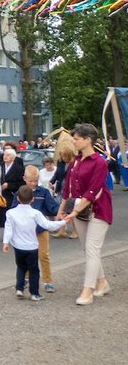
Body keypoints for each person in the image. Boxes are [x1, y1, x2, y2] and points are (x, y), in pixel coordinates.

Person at [59, 123, 113, 306]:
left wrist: (73, 212)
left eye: (76, 139)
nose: (73, 142)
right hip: (79, 208)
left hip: (99, 209)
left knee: (92, 248)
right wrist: (62, 209)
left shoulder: (99, 162)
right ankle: (102, 282)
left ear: (87, 140)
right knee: (89, 249)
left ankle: (87, 290)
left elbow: (92, 191)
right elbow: (68, 187)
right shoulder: (75, 161)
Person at [3, 185, 65, 301]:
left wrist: (6, 242)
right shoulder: (35, 213)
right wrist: (63, 222)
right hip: (31, 246)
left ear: (18, 198)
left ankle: (19, 288)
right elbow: (48, 225)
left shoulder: (10, 213)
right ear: (32, 199)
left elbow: (8, 228)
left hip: (18, 246)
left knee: (21, 267)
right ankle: (34, 293)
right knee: (34, 270)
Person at [11, 165, 60, 293]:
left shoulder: (43, 192)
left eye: (36, 180)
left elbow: (52, 207)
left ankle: (48, 281)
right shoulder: (19, 193)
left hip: (41, 229)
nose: (33, 183)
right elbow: (13, 210)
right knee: (27, 257)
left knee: (44, 255)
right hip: (26, 232)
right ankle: (27, 278)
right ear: (24, 178)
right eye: (30, 180)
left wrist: (60, 212)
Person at [0, 145, 25, 232]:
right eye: (4, 155)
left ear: (13, 157)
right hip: (0, 193)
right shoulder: (0, 166)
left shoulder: (18, 168)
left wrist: (9, 185)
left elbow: (21, 183)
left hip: (12, 194)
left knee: (10, 214)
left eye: (8, 155)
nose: (5, 157)